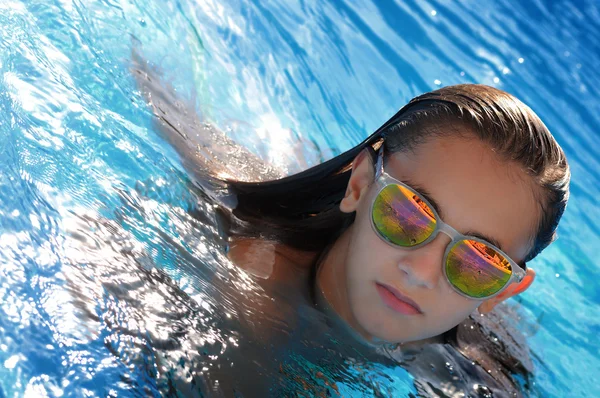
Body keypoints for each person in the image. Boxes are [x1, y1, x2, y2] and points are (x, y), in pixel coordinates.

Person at [132, 56, 570, 396]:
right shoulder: (257, 289)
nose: (419, 272)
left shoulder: (481, 365)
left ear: (502, 290)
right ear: (359, 184)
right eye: (408, 214)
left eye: (479, 263)